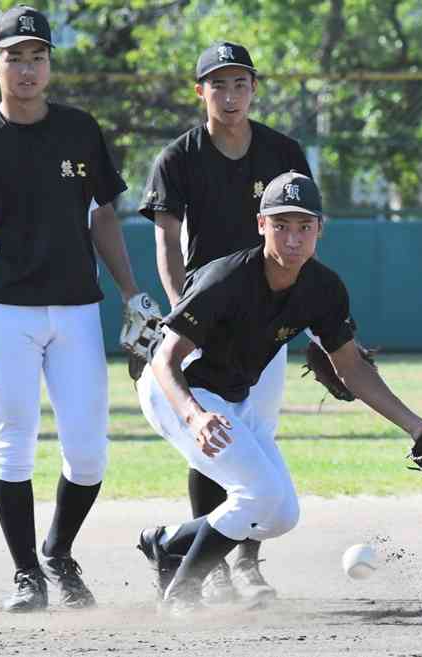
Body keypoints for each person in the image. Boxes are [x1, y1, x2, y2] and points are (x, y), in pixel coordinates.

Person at [0, 5, 146, 612]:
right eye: (15, 57)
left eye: (38, 56)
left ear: (50, 64)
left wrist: (131, 293)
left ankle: (57, 549)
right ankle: (27, 574)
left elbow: (103, 214)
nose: (27, 68)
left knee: (88, 453)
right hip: (7, 312)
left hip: (77, 310)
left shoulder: (80, 130)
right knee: (13, 442)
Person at [136, 171, 422, 616]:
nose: (292, 238)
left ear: (320, 228)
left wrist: (419, 427)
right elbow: (164, 359)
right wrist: (195, 416)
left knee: (279, 516)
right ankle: (182, 590)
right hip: (178, 393)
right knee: (255, 494)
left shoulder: (324, 288)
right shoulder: (225, 279)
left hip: (230, 398)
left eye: (303, 226)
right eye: (281, 225)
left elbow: (350, 367)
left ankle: (166, 542)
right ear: (261, 226)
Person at [138, 41, 313, 604]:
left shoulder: (283, 151)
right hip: (205, 319)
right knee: (210, 436)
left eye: (240, 83)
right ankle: (207, 565)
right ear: (200, 92)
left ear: (254, 89)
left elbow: (301, 231)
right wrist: (177, 311)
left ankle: (245, 562)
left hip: (266, 323)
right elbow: (166, 238)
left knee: (256, 436)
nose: (231, 94)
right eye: (219, 84)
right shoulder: (180, 157)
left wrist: (314, 330)